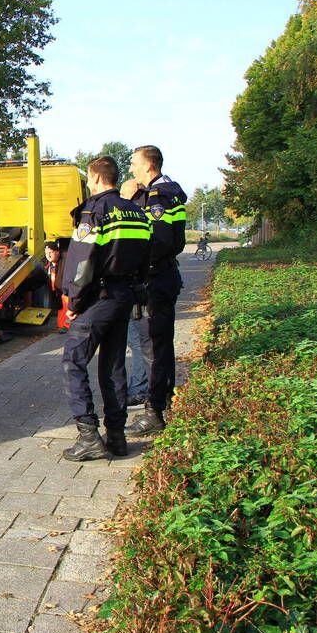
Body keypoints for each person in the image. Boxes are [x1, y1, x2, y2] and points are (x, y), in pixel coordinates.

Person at [60, 156, 151, 461]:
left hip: (98, 297)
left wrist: (73, 301)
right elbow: (145, 260)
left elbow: (81, 262)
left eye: (88, 178)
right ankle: (116, 437)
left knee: (73, 362)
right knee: (113, 367)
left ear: (97, 178)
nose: (88, 183)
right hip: (125, 296)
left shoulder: (94, 211)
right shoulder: (138, 213)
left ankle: (88, 435)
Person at [126, 145, 187, 436]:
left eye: (134, 163)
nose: (131, 169)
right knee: (160, 346)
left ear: (149, 166)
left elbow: (160, 241)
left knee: (153, 347)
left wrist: (138, 263)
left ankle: (154, 412)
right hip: (162, 279)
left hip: (155, 281)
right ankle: (163, 404)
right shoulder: (164, 192)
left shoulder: (159, 196)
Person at [119, 179, 147, 406]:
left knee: (136, 343)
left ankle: (139, 389)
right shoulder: (143, 218)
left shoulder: (132, 217)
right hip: (140, 288)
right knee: (139, 342)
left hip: (133, 290)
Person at [41, 241, 70, 332]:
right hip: (57, 293)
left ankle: (67, 326)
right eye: (46, 253)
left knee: (67, 307)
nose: (48, 255)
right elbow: (39, 278)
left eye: (51, 252)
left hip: (66, 291)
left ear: (57, 252)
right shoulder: (47, 264)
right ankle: (62, 326)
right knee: (61, 309)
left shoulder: (65, 260)